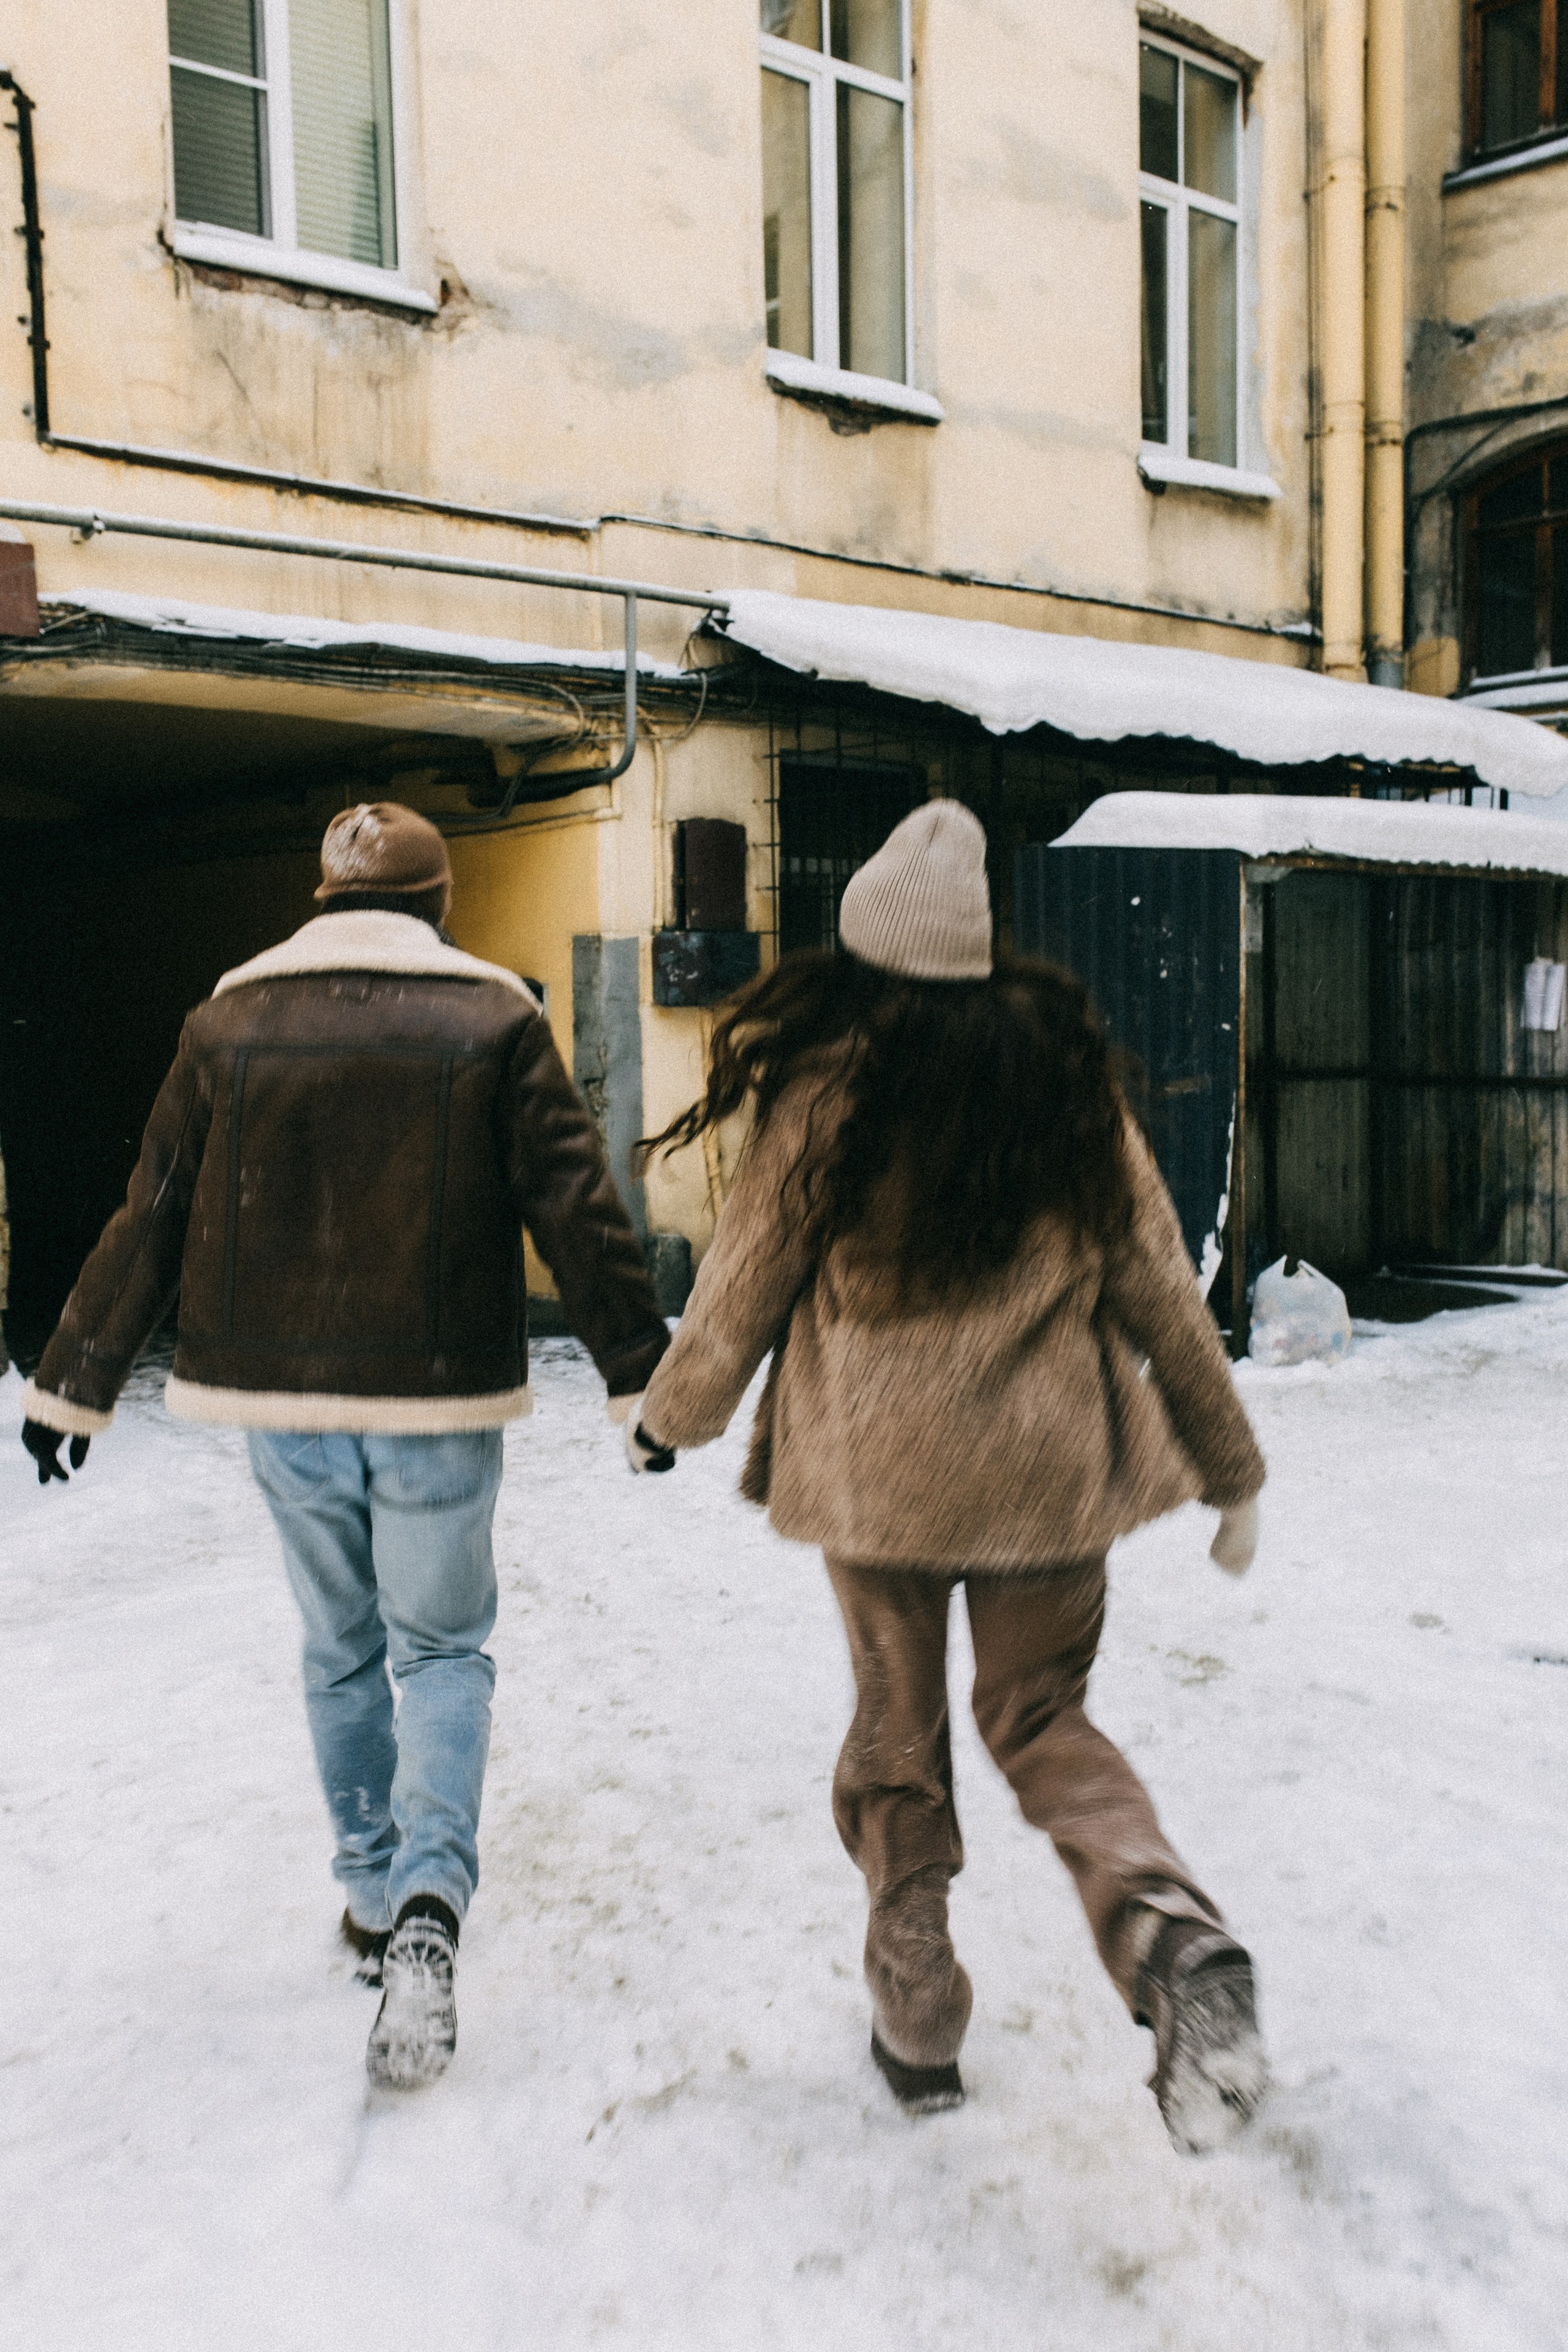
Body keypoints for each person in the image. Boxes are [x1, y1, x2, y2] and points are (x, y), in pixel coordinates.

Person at [623, 801, 1268, 2155]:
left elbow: (739, 1290)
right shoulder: (1062, 1078)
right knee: (1041, 1716)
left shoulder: (826, 1085)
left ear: (862, 951)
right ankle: (1166, 1935)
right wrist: (1229, 1470)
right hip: (1046, 1470)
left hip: (879, 1478)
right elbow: (1158, 1278)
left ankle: (916, 2019)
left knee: (895, 1737)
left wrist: (666, 1422)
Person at [21, 802, 668, 2090]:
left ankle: (373, 1896)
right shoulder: (494, 1016)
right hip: (436, 1403)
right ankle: (433, 1904)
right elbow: (577, 1206)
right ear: (438, 905)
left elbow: (149, 1206)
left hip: (278, 1403)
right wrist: (640, 1378)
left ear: (320, 900)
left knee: (338, 1649)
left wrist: (72, 1385)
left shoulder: (224, 1023)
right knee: (440, 1648)